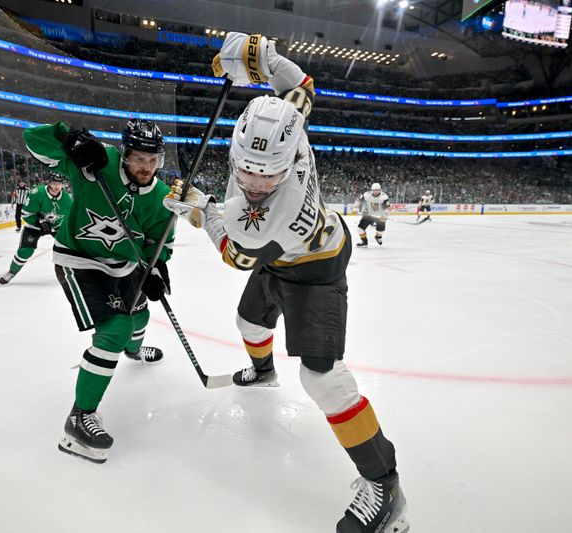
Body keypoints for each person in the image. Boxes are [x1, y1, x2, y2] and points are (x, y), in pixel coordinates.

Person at [163, 32, 408, 533]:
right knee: (248, 319)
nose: (253, 186)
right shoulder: (289, 128)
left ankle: (384, 482)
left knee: (322, 377)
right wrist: (266, 60)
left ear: (287, 165)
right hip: (285, 255)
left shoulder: (274, 214)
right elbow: (301, 87)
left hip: (314, 268)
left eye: (266, 179)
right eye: (247, 174)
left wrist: (198, 209)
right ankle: (262, 372)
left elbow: (236, 254)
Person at [21, 118, 176, 464]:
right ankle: (79, 417)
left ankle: (133, 352)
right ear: (124, 154)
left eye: (153, 160)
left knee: (140, 312)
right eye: (138, 158)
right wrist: (71, 140)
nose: (146, 167)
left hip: (123, 263)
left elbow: (158, 243)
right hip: (79, 259)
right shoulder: (97, 161)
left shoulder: (162, 197)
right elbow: (33, 140)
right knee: (115, 327)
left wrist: (156, 267)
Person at [0, 175, 73, 285]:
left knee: (69, 248)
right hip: (34, 226)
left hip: (56, 227)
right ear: (49, 183)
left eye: (59, 184)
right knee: (25, 250)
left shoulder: (67, 198)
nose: (57, 186)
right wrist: (39, 222)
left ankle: (74, 273)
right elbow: (25, 214)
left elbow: (71, 216)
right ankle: (12, 272)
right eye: (54, 183)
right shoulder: (37, 193)